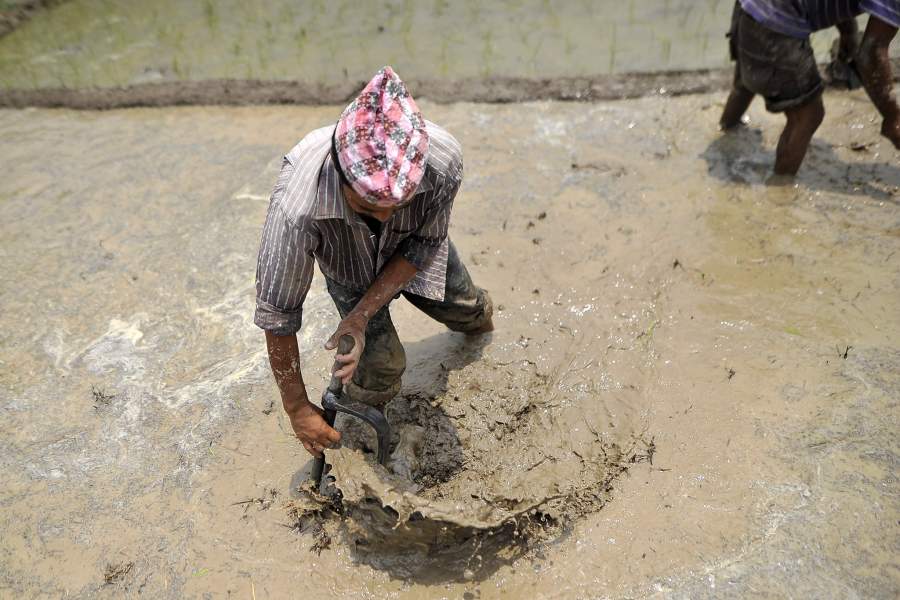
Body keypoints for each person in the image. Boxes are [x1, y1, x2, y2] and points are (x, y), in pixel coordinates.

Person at [254, 67, 494, 458]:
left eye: (397, 205)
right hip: (347, 265)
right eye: (367, 206)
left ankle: (485, 351)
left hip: (415, 248)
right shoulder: (298, 206)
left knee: (469, 310)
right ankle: (361, 439)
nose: (383, 218)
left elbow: (424, 242)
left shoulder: (443, 160)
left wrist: (361, 316)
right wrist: (297, 407)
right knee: (380, 366)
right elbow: (278, 314)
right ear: (340, 175)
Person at [719, 0, 900, 175]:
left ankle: (724, 132)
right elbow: (871, 54)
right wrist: (893, 116)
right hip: (775, 19)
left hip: (748, 6)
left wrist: (848, 32)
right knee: (808, 115)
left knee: (745, 79)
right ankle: (780, 192)